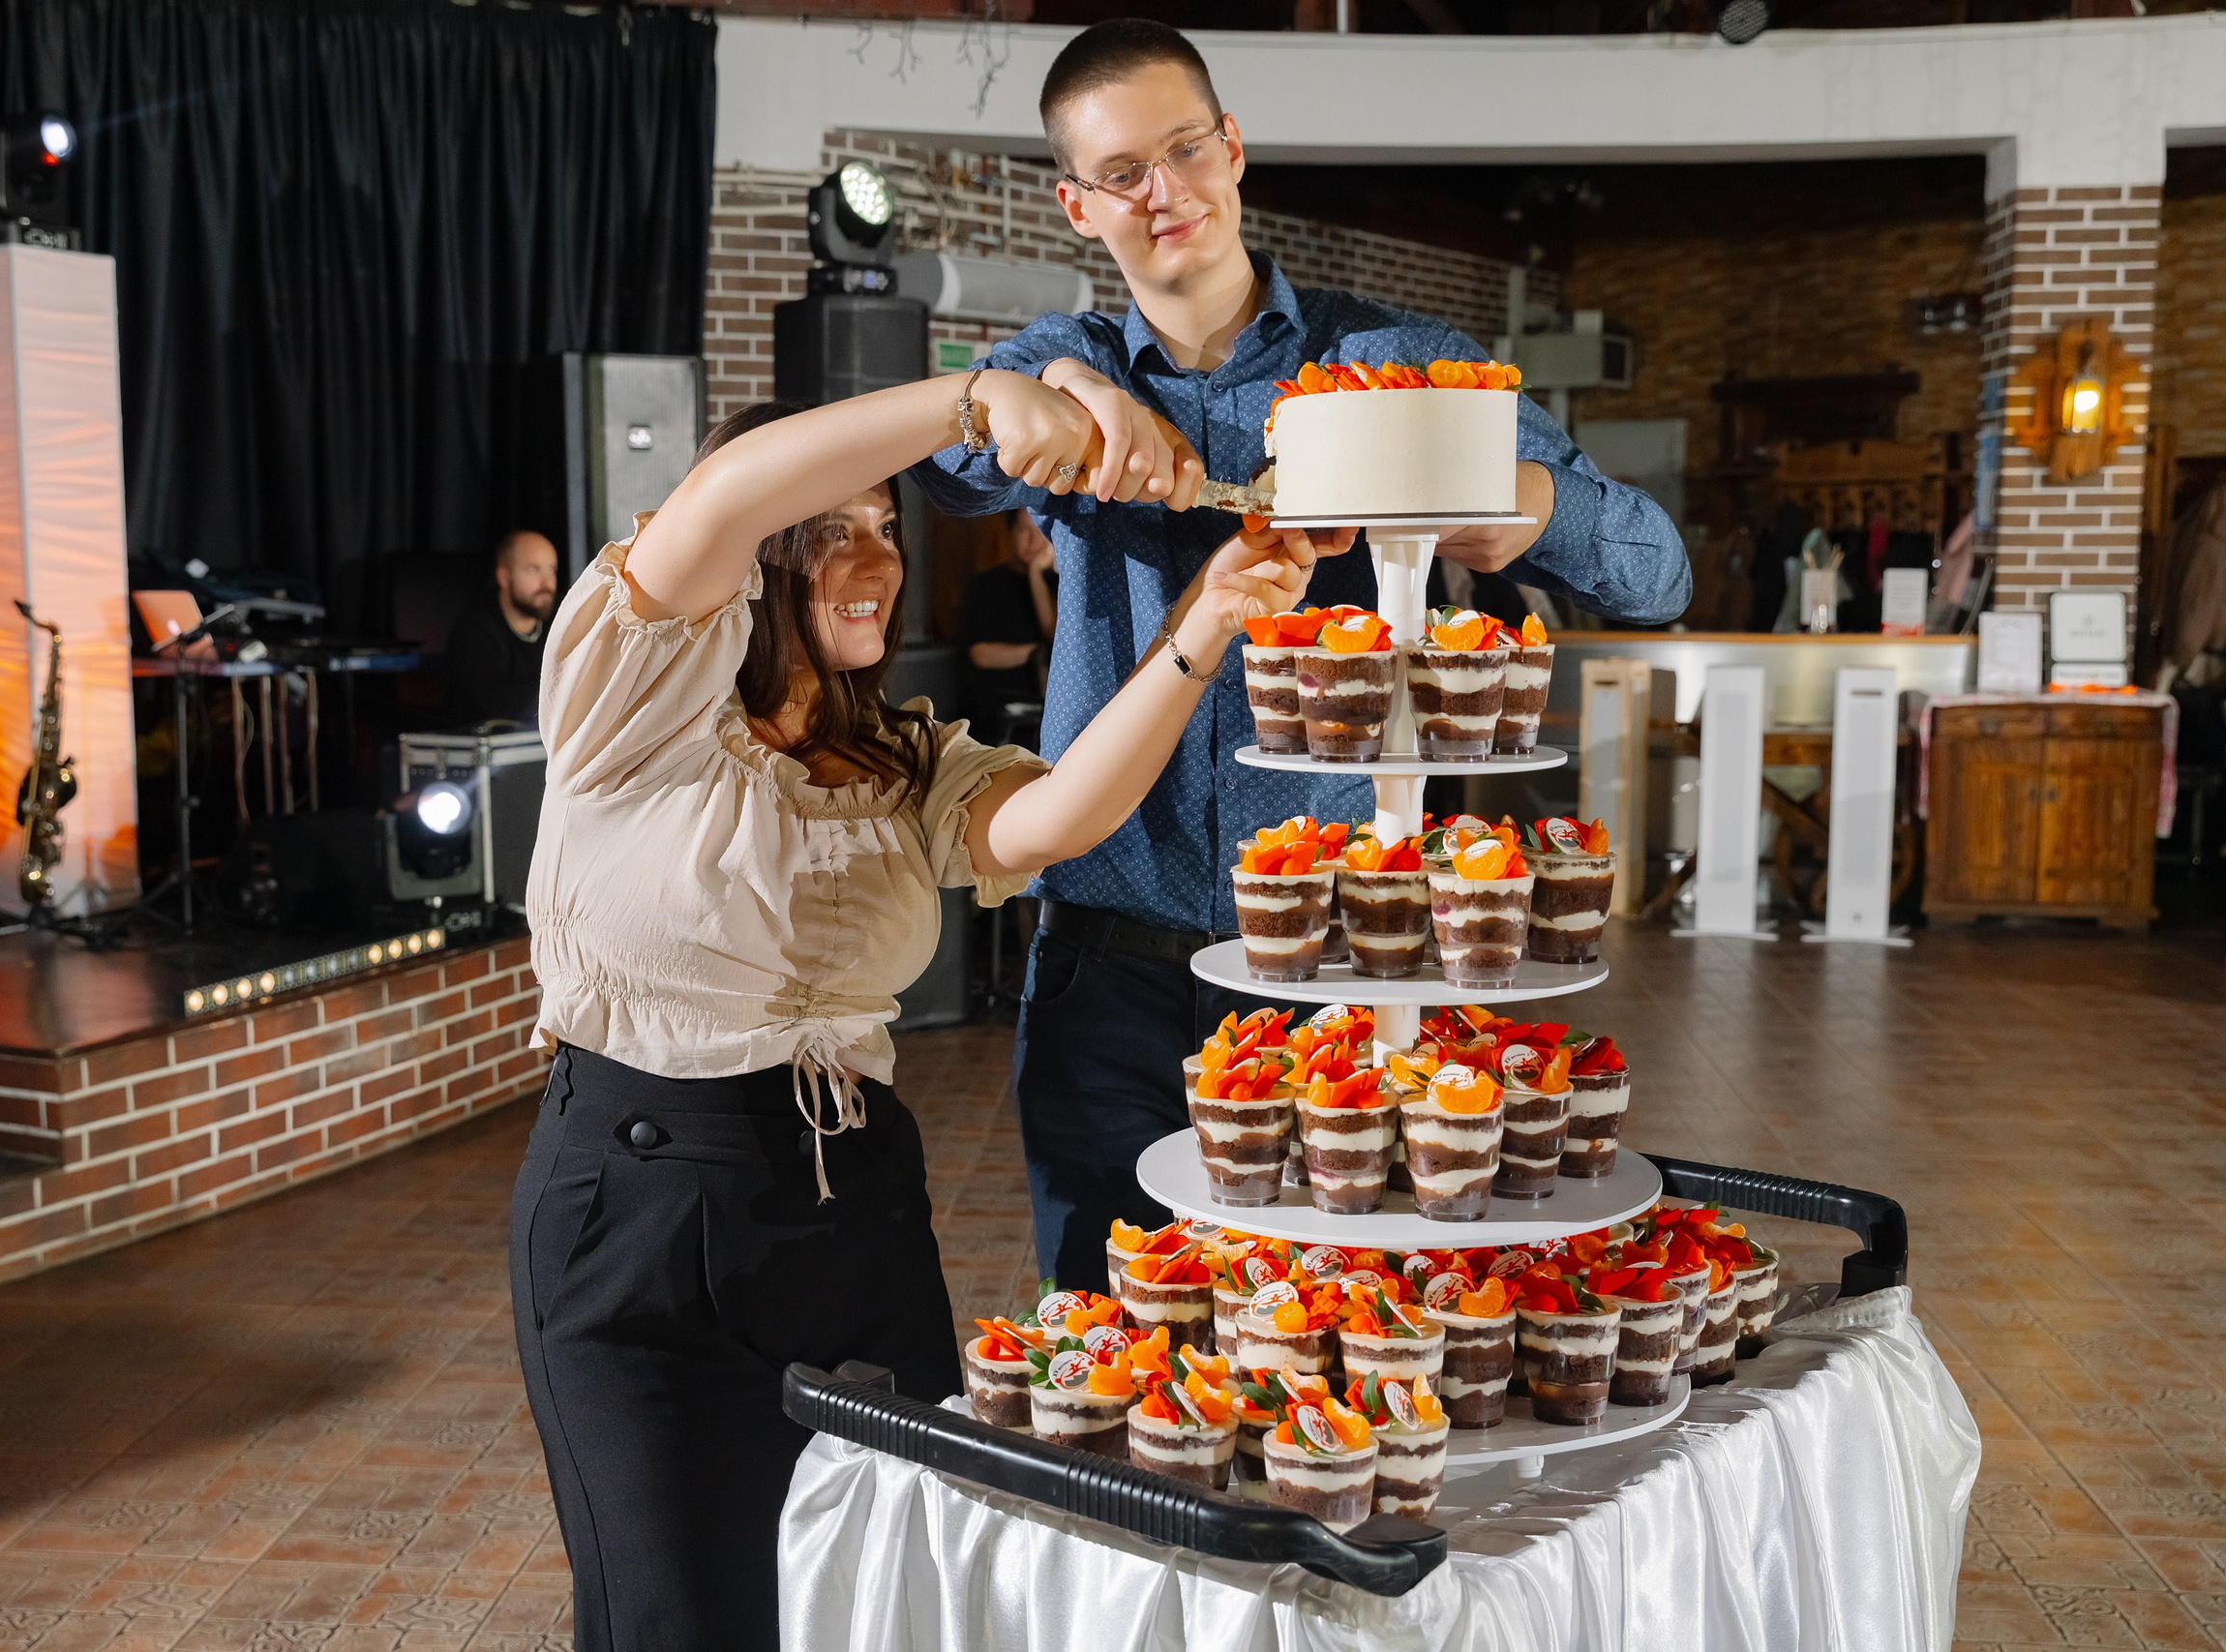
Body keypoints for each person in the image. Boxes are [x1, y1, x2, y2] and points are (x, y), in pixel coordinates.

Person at [511, 367, 1317, 1652]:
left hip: (853, 1203)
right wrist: (976, 399)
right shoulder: (633, 698)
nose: (875, 555)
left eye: (889, 525)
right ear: (762, 549)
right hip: (643, 1209)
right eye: (835, 521)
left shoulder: (903, 757)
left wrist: (1201, 628)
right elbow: (720, 492)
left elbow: (1058, 817)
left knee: (892, 1587)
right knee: (683, 1610)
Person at [912, 18, 1693, 1291]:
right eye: (1123, 172)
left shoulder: (1387, 368)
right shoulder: (1065, 366)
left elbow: (1659, 574)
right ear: (1075, 203)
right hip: (1107, 961)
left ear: (1233, 148)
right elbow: (944, 461)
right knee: (1115, 1310)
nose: (1165, 193)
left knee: (1337, 1307)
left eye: (1185, 149)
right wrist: (1048, 392)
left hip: (1339, 964)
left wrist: (1532, 513)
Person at [957, 506, 1060, 738]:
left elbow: (1054, 633)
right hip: (999, 707)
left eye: (1040, 530)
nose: (1033, 540)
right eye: (1024, 529)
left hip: (1050, 706)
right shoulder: (987, 586)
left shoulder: (1062, 586)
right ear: (1011, 533)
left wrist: (1037, 574)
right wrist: (1037, 652)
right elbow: (980, 654)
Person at [443, 528, 559, 724]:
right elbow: (494, 707)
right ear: (504, 577)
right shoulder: (474, 631)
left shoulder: (561, 622)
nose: (547, 583)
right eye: (533, 569)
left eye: (552, 570)